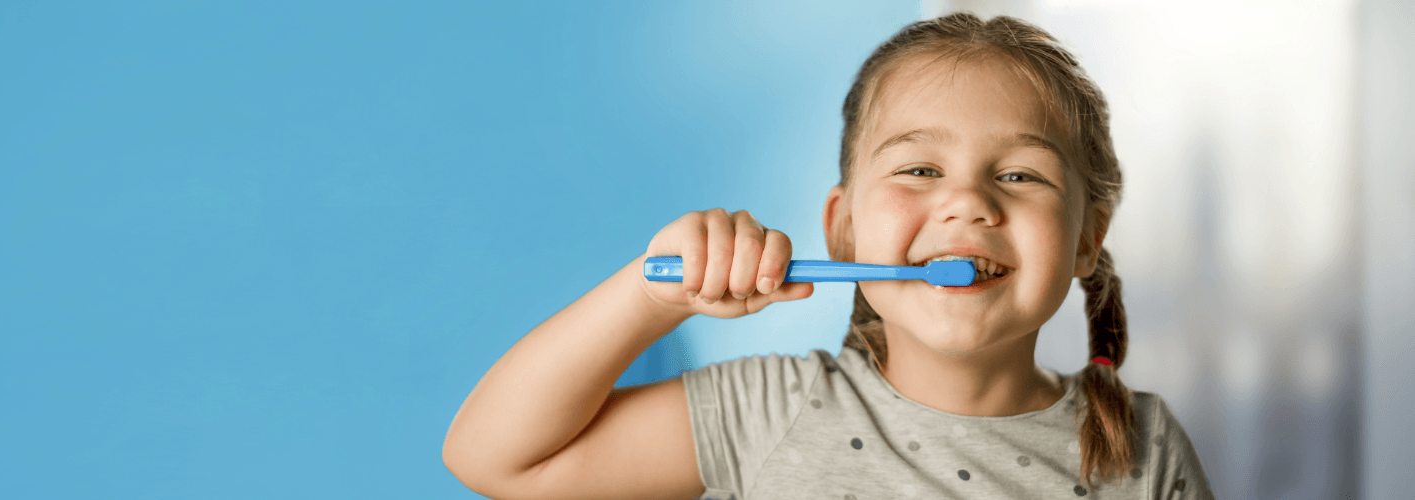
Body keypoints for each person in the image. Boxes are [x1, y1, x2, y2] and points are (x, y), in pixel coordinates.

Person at [443, 12, 1213, 500]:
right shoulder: (770, 413)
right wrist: (651, 296)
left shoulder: (1143, 449)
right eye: (919, 170)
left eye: (1019, 175)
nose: (969, 202)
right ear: (842, 230)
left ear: (1087, 238)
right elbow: (497, 459)